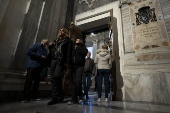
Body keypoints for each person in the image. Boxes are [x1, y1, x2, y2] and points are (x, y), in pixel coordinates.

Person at [47, 28, 72, 105]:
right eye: (60, 30)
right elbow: (52, 51)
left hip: (60, 61)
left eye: (62, 30)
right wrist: (50, 46)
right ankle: (55, 97)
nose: (61, 31)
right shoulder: (56, 41)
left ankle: (60, 94)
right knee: (53, 79)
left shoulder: (68, 41)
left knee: (57, 76)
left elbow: (69, 52)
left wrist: (67, 62)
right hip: (53, 61)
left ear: (65, 32)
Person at [22, 39, 49, 103]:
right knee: (29, 81)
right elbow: (29, 52)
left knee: (36, 82)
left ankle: (34, 96)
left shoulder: (45, 50)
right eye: (45, 42)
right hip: (32, 65)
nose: (46, 44)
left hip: (40, 67)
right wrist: (39, 56)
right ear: (42, 41)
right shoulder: (36, 46)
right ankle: (25, 97)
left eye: (47, 43)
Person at [68, 39, 88, 105]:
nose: (77, 40)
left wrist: (78, 48)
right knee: (74, 82)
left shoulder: (83, 48)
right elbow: (71, 56)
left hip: (80, 66)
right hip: (73, 67)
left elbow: (84, 53)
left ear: (81, 41)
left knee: (78, 81)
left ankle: (80, 96)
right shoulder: (73, 48)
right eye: (76, 40)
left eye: (79, 39)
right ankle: (74, 99)